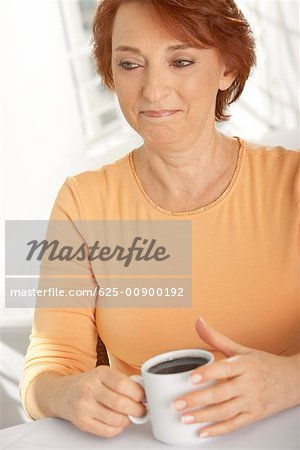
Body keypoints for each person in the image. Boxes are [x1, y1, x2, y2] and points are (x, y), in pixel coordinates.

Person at [20, 0, 300, 441]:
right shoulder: (83, 201)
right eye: (130, 64)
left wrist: (290, 380)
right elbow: (48, 364)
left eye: (181, 61)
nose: (152, 90)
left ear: (228, 68)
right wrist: (63, 394)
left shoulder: (292, 183)